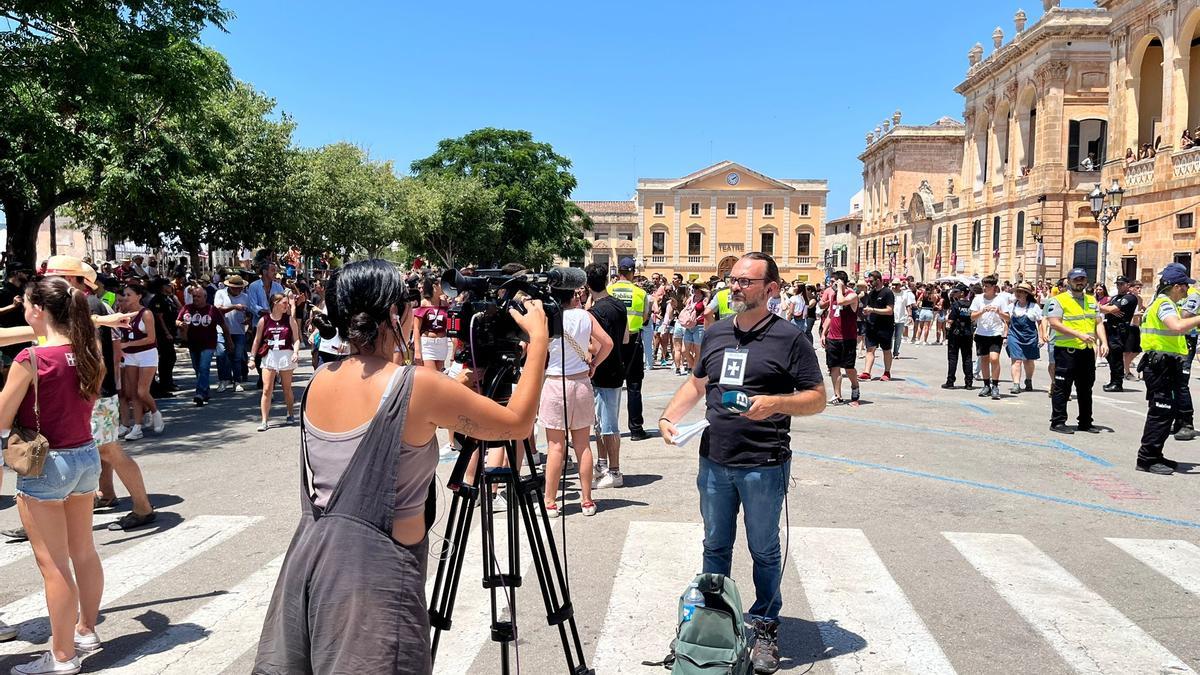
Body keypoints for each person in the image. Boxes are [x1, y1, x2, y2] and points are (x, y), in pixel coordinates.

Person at [254, 259, 550, 673]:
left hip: (312, 563)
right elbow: (517, 424)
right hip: (376, 579)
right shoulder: (416, 385)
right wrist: (538, 345)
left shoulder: (320, 378)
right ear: (394, 313)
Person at [658, 252, 826, 675]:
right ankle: (713, 628)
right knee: (714, 545)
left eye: (745, 282)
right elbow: (697, 383)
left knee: (764, 550)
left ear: (770, 289)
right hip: (714, 458)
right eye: (732, 280)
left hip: (763, 463)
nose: (734, 287)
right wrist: (667, 417)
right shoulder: (715, 332)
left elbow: (817, 397)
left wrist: (775, 403)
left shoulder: (790, 339)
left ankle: (765, 624)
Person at [0, 277, 105, 674]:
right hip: (85, 455)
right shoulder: (88, 347)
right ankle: (86, 630)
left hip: (47, 464)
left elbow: (2, 416)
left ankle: (61, 656)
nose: (25, 311)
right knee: (84, 552)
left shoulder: (31, 359)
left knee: (54, 566)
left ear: (38, 311)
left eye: (27, 305)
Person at [43, 257, 157, 534]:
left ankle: (142, 507)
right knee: (100, 449)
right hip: (91, 390)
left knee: (109, 450)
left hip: (93, 392)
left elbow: (92, 351)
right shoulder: (83, 304)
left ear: (70, 279)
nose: (46, 283)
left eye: (52, 277)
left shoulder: (85, 305)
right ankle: (105, 495)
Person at [539, 288, 612, 517]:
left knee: (555, 447)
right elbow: (607, 343)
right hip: (580, 381)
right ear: (573, 296)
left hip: (555, 382)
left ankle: (550, 501)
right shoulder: (586, 316)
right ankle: (587, 500)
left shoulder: (548, 317)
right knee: (583, 445)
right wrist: (594, 364)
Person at [1135, 264, 1200, 474]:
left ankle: (1156, 454)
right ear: (1176, 286)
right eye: (1185, 286)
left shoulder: (1165, 303)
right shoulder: (1164, 304)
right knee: (1160, 411)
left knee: (1166, 411)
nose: (1188, 290)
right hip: (1160, 365)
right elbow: (1177, 326)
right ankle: (1147, 459)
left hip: (1165, 364)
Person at [1046, 268, 1108, 434]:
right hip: (1067, 350)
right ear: (1069, 281)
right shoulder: (1058, 300)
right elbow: (1054, 323)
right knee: (1062, 387)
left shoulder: (1091, 300)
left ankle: (1086, 422)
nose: (1079, 282)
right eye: (1076, 279)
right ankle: (1058, 422)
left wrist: (1104, 342)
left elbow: (1098, 322)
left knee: (1085, 388)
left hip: (1086, 351)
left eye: (1082, 279)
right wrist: (1078, 335)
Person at [588, 263, 628, 490]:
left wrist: (590, 357)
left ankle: (614, 471)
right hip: (616, 367)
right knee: (601, 422)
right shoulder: (618, 305)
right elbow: (625, 338)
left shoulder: (595, 312)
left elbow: (595, 345)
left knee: (608, 425)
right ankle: (603, 465)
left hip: (602, 370)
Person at [608, 257, 649, 442]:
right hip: (633, 342)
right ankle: (636, 429)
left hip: (611, 343)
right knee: (634, 386)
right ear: (632, 272)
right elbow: (646, 318)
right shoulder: (640, 293)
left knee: (609, 387)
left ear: (619, 272)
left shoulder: (609, 290)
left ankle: (608, 427)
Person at [116, 285, 164, 440]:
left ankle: (155, 412)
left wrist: (128, 344)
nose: (126, 297)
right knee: (132, 392)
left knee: (142, 391)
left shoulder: (146, 313)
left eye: (129, 294)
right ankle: (137, 427)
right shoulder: (123, 314)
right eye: (125, 295)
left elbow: (151, 338)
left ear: (138, 296)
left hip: (147, 354)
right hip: (130, 356)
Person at [249, 293, 300, 431]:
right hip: (269, 356)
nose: (286, 305)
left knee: (286, 388)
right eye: (284, 303)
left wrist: (295, 352)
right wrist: (252, 358)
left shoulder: (289, 320)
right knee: (266, 389)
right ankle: (264, 420)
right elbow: (257, 340)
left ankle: (290, 413)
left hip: (285, 355)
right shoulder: (264, 320)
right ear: (275, 303)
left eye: (287, 303)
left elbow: (296, 338)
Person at [177, 282, 228, 406]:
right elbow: (178, 320)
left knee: (204, 367)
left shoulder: (212, 310)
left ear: (205, 297)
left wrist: (229, 342)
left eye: (198, 296)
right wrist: (179, 324)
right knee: (197, 369)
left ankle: (199, 393)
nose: (196, 299)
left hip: (209, 343)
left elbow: (223, 326)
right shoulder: (187, 308)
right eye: (194, 296)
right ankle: (205, 391)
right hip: (193, 343)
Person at [820, 270, 860, 406]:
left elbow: (842, 302)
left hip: (848, 337)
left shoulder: (852, 295)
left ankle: (855, 386)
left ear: (840, 282)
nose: (831, 285)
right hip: (833, 337)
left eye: (833, 282)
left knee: (849, 368)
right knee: (834, 367)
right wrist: (823, 333)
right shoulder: (833, 296)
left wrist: (841, 288)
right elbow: (831, 315)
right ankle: (838, 395)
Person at [970, 275, 1011, 400]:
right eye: (983, 285)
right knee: (984, 359)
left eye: (987, 286)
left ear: (994, 287)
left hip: (995, 333)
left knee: (994, 358)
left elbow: (1008, 318)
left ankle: (995, 385)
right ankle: (986, 385)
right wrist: (982, 311)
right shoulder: (978, 299)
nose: (984, 288)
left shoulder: (1001, 300)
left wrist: (999, 312)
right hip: (981, 333)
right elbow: (972, 317)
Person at [247, 262, 285, 387]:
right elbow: (251, 305)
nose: (275, 273)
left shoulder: (278, 287)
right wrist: (265, 311)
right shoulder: (253, 286)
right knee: (259, 353)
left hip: (275, 325)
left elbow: (284, 302)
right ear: (264, 272)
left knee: (273, 352)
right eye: (273, 270)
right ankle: (262, 375)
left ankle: (270, 380)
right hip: (259, 324)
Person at [1006, 282, 1046, 394]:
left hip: (1030, 337)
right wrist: (1005, 336)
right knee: (1016, 360)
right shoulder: (1011, 306)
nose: (1018, 294)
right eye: (1017, 291)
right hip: (1014, 336)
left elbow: (1040, 323)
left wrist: (1042, 337)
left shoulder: (1034, 307)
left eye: (1021, 292)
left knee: (1028, 361)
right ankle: (1016, 384)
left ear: (1027, 294)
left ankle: (1028, 380)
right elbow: (1006, 321)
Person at [1099, 275, 1137, 392]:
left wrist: (1108, 309)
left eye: (1122, 284)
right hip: (1110, 328)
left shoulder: (1129, 298)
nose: (1119, 286)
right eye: (1118, 284)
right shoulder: (1116, 297)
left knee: (1116, 357)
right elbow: (1105, 308)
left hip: (1119, 330)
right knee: (1110, 356)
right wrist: (1107, 309)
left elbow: (1110, 310)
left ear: (1127, 285)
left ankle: (1117, 383)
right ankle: (1113, 380)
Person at [214, 274, 250, 392]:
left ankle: (237, 381)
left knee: (237, 357)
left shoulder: (245, 297)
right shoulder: (220, 294)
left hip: (238, 331)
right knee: (221, 356)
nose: (238, 290)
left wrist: (248, 320)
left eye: (239, 288)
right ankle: (223, 380)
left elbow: (250, 312)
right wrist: (234, 307)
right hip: (221, 330)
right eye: (235, 287)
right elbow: (218, 310)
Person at [859, 271, 895, 381]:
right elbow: (869, 306)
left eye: (871, 281)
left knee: (886, 350)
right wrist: (866, 311)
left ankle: (887, 372)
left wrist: (873, 310)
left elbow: (889, 310)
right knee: (870, 349)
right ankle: (867, 372)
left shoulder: (887, 293)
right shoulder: (871, 294)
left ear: (878, 280)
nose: (869, 283)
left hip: (885, 326)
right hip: (872, 325)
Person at [412, 278, 450, 372]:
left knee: (439, 376)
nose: (444, 288)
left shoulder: (445, 304)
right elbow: (416, 328)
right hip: (427, 344)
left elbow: (451, 324)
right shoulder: (423, 304)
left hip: (442, 343)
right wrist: (417, 351)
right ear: (434, 286)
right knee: (431, 375)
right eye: (441, 285)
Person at [942, 283, 975, 389]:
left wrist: (947, 321)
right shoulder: (971, 305)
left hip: (955, 333)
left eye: (956, 292)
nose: (954, 293)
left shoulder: (955, 305)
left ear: (961, 293)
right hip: (968, 333)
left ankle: (950, 381)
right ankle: (969, 382)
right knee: (967, 357)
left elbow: (951, 320)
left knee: (952, 357)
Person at [890, 278, 915, 358]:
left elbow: (908, 305)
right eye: (893, 284)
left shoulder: (904, 294)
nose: (894, 286)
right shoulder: (890, 293)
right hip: (890, 317)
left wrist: (910, 315)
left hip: (900, 317)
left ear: (900, 285)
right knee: (890, 335)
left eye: (896, 285)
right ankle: (888, 351)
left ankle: (896, 352)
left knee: (898, 336)